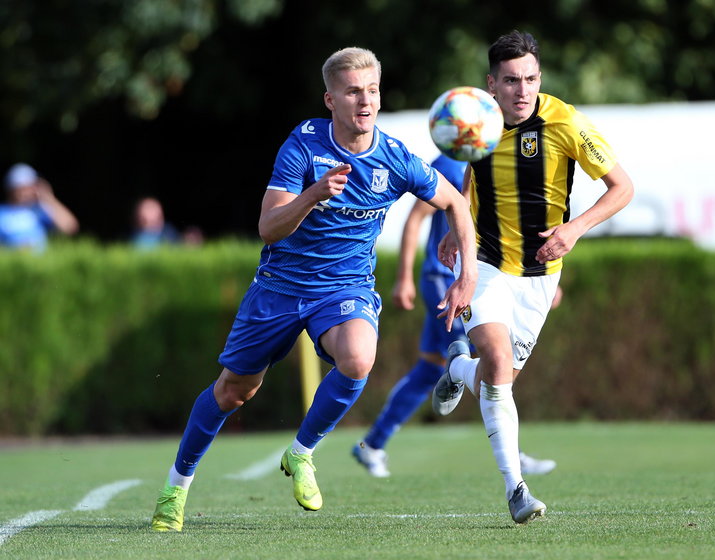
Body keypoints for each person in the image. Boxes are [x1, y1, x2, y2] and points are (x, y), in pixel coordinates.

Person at [151, 46, 477, 532]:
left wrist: (467, 274)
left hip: (344, 288)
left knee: (359, 357)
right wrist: (314, 194)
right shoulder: (302, 146)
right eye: (352, 92)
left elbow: (456, 204)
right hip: (279, 287)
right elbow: (268, 227)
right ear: (330, 99)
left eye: (371, 91)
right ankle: (174, 490)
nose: (364, 101)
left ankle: (300, 453)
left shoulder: (396, 158)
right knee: (234, 391)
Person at [433, 30, 634, 524]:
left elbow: (622, 187)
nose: (521, 89)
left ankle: (459, 367)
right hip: (485, 263)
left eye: (529, 78)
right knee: (498, 362)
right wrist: (457, 230)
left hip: (541, 275)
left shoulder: (566, 122)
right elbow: (467, 176)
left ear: (539, 78)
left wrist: (575, 229)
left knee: (492, 381)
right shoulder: (474, 121)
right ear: (492, 83)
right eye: (510, 80)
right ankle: (516, 490)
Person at [352, 153, 559, 478]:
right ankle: (513, 457)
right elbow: (416, 217)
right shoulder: (450, 164)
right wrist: (405, 275)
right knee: (490, 359)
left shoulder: (501, 158)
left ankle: (372, 446)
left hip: (481, 278)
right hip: (443, 279)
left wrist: (533, 277)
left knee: (429, 370)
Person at [0, 163, 79, 251]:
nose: (29, 191)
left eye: (32, 187)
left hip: (39, 263)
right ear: (11, 189)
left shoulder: (39, 209)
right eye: (24, 187)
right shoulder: (2, 212)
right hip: (13, 262)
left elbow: (69, 228)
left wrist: (49, 199)